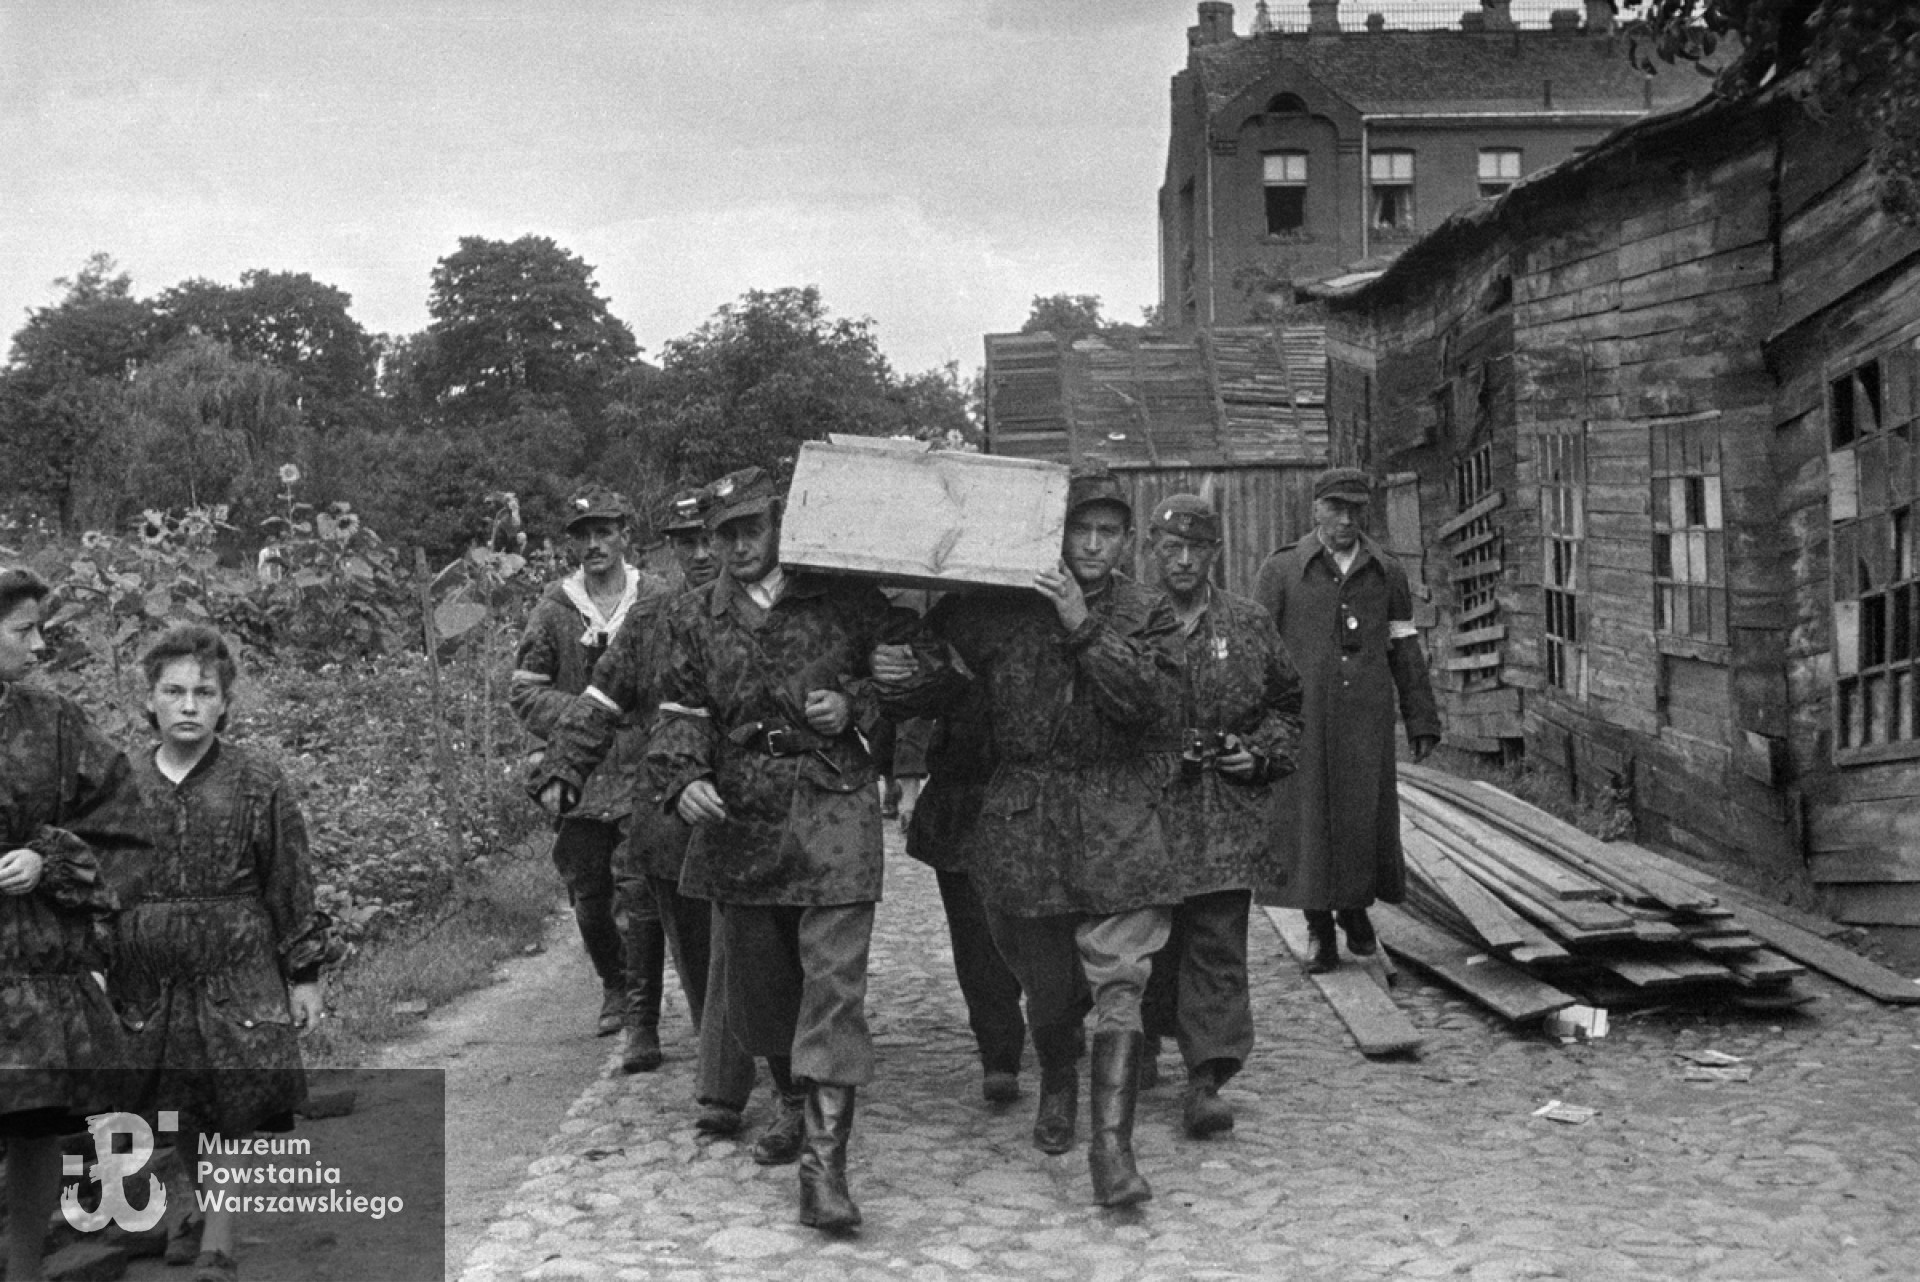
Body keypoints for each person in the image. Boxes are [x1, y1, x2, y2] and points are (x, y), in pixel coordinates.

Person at [561, 466, 938, 1233]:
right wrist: (682, 779)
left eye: (748, 530)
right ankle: (793, 1098)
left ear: (779, 528)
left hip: (833, 800)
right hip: (741, 815)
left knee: (834, 987)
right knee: (763, 997)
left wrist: (859, 702)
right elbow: (677, 714)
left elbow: (923, 675)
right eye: (720, 534)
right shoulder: (695, 618)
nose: (733, 546)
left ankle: (824, 1170)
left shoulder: (843, 599)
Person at [879, 465, 1182, 1208]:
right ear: (1055, 530)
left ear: (1128, 539)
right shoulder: (995, 609)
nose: (1093, 543)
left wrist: (1082, 625)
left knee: (1120, 979)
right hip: (1021, 819)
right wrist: (895, 672)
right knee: (1048, 991)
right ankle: (1056, 1075)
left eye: (1108, 531)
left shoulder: (1148, 612)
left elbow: (1148, 704)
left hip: (1116, 813)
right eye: (1080, 528)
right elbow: (936, 679)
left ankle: (1113, 1152)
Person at [116, 624, 339, 1282]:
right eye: (173, 691)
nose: (188, 704)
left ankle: (218, 1234)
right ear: (151, 700)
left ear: (224, 702)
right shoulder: (121, 785)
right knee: (179, 1100)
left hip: (236, 966)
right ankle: (201, 1208)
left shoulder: (255, 782)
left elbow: (290, 879)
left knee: (234, 1101)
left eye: (203, 692)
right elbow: (103, 878)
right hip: (151, 973)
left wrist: (303, 972)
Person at [0, 569, 150, 1282]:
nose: (39, 644)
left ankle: (25, 1270)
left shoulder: (52, 721)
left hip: (33, 974)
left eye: (39, 627)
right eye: (22, 630)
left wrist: (47, 854)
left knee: (30, 1126)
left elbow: (124, 815)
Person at [1137, 494, 1302, 1139]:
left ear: (1215, 553)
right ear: (1151, 547)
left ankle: (1206, 1077)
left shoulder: (1249, 623)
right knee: (1147, 936)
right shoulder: (1128, 620)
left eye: (1197, 549)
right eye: (1171, 547)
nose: (1183, 561)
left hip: (1222, 808)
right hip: (1146, 805)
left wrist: (1258, 754)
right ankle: (1141, 1038)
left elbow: (1288, 706)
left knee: (1216, 938)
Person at [1253, 467, 1441, 973]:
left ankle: (1355, 913)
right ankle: (1318, 928)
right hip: (1303, 721)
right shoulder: (1283, 570)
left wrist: (1421, 718)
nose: (1345, 520)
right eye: (1335, 508)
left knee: (1363, 818)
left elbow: (1404, 646)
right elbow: (1258, 651)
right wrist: (1255, 723)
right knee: (1309, 823)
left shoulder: (1386, 572)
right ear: (1315, 509)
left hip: (1364, 719)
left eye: (1355, 510)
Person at [511, 484, 671, 1055]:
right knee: (589, 894)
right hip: (579, 771)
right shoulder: (555, 609)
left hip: (644, 767)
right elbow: (525, 693)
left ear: (626, 535)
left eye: (605, 532)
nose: (595, 545)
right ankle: (612, 979)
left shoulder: (656, 600)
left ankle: (639, 1013)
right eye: (584, 535)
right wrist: (584, 712)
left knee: (639, 889)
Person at [896, 685, 1028, 1105]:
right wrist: (909, 784)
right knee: (975, 935)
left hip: (1040, 795)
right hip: (962, 799)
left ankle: (1064, 1017)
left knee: (1043, 929)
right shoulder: (947, 626)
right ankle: (999, 1052)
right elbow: (909, 705)